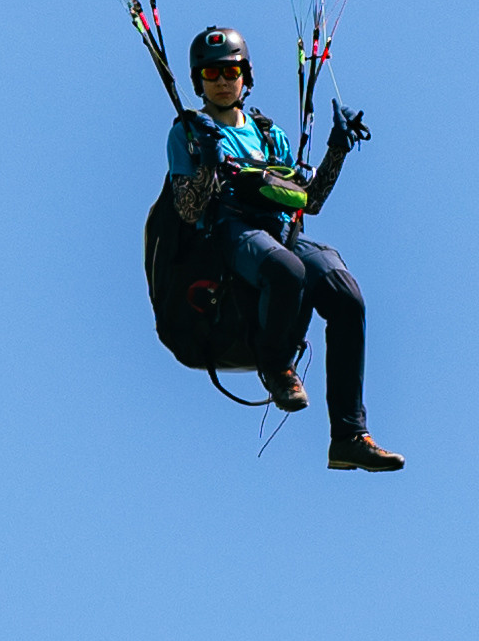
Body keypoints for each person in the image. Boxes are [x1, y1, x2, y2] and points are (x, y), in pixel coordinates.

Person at [165, 27, 403, 466]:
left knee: (346, 296)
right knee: (287, 271)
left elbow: (308, 202)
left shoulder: (268, 134)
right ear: (198, 81)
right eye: (211, 73)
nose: (221, 80)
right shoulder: (189, 134)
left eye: (230, 71)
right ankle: (275, 367)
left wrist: (337, 150)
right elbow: (185, 208)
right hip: (232, 233)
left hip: (281, 232)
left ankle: (349, 436)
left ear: (245, 76)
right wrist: (208, 169)